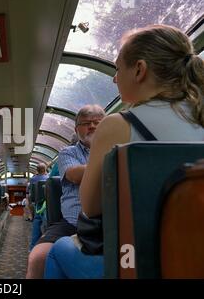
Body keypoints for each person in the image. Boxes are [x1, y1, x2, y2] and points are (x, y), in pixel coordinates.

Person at [44, 24, 204, 279]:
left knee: (57, 250)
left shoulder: (119, 125)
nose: (114, 78)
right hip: (195, 258)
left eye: (118, 69)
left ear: (139, 70)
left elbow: (91, 206)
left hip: (137, 262)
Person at [26, 104, 105, 278]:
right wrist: (109, 162)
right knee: (37, 257)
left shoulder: (118, 147)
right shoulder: (68, 153)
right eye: (85, 123)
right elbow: (74, 175)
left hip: (112, 223)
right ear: (77, 130)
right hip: (73, 223)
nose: (92, 126)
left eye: (97, 122)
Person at [27, 163, 49, 251]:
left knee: (36, 224)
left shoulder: (33, 179)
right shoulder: (48, 178)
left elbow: (29, 193)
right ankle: (45, 248)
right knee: (46, 226)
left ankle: (33, 248)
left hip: (37, 204)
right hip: (47, 204)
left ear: (37, 170)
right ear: (45, 169)